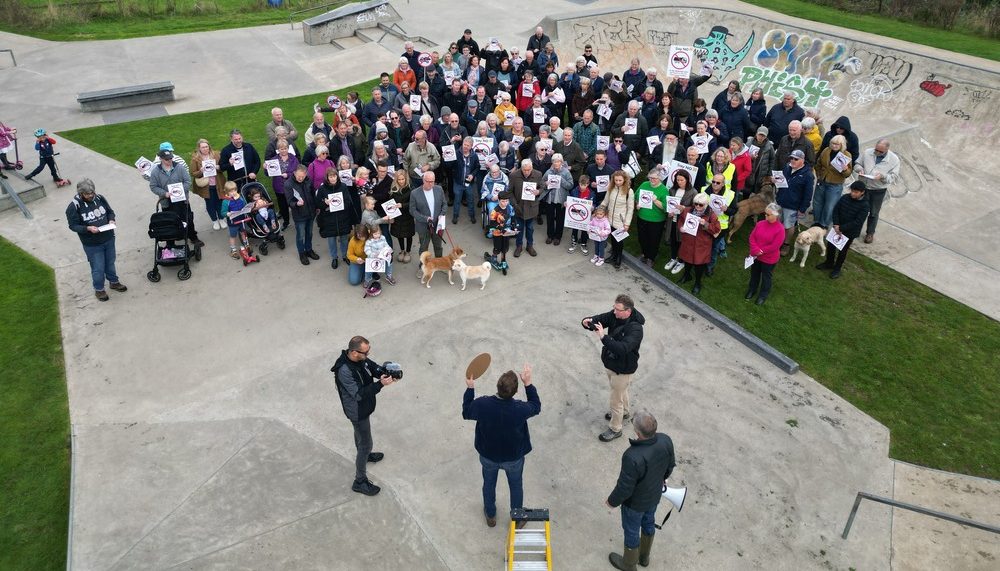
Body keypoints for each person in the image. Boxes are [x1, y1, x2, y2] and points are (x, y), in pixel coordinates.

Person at [462, 364, 540, 528]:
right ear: (515, 391)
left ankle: (490, 515)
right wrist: (528, 383)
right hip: (513, 458)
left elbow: (466, 412)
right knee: (516, 485)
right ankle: (517, 518)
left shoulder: (483, 405)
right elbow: (536, 406)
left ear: (497, 386)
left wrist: (470, 388)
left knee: (489, 484)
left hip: (488, 455)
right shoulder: (520, 409)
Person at [604, 410, 676, 571]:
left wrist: (612, 501)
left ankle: (629, 564)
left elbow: (625, 486)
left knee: (631, 530)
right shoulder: (665, 440)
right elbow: (670, 464)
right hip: (654, 496)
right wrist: (663, 478)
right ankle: (644, 557)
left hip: (634, 504)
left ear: (637, 432)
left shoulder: (632, 456)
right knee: (649, 522)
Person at [332, 335, 398, 496]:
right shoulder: (345, 371)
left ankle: (366, 455)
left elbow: (371, 366)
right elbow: (359, 395)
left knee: (360, 437)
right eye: (365, 353)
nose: (367, 355)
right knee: (365, 444)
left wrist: (383, 373)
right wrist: (380, 384)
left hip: (363, 408)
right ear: (354, 352)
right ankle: (360, 481)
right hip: (357, 410)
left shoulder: (359, 359)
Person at [581, 294, 645, 441]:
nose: (614, 312)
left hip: (623, 369)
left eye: (617, 309)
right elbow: (599, 319)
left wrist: (604, 337)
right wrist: (587, 322)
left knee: (615, 400)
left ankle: (616, 429)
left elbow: (622, 349)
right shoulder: (615, 315)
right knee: (621, 391)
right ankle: (626, 412)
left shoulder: (636, 329)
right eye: (614, 308)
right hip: (611, 363)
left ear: (628, 311)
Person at [66, 179, 126, 302]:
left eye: (92, 192)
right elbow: (73, 225)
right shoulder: (73, 206)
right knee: (98, 267)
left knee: (110, 262)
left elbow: (110, 212)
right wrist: (87, 228)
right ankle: (99, 289)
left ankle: (113, 282)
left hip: (109, 238)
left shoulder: (100, 198)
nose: (91, 196)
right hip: (92, 244)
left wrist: (111, 220)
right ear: (81, 194)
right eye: (87, 194)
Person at [148, 146, 204, 249]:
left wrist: (180, 190)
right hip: (166, 201)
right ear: (160, 159)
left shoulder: (179, 167)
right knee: (169, 220)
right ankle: (170, 241)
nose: (169, 161)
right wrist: (165, 193)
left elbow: (187, 181)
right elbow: (153, 186)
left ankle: (193, 237)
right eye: (166, 159)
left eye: (170, 158)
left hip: (182, 200)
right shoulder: (155, 171)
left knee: (188, 218)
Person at [817, 181, 870, 279]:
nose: (852, 193)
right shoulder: (845, 197)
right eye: (852, 191)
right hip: (838, 227)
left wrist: (841, 228)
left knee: (843, 251)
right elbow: (836, 210)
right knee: (831, 246)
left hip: (849, 232)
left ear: (862, 192)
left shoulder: (865, 205)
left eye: (856, 192)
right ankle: (829, 263)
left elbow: (858, 222)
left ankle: (837, 268)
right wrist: (836, 224)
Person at [853, 138, 900, 244]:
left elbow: (893, 178)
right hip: (863, 187)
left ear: (887, 149)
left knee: (873, 213)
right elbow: (857, 164)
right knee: (858, 209)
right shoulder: (867, 152)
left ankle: (870, 233)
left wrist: (882, 176)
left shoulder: (894, 160)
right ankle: (855, 230)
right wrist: (859, 169)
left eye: (880, 152)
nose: (877, 153)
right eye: (876, 150)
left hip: (878, 190)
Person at [677, 193, 721, 295]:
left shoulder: (711, 215)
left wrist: (706, 224)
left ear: (706, 204)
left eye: (700, 205)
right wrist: (681, 228)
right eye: (696, 204)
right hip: (688, 241)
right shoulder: (688, 210)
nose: (697, 206)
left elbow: (717, 229)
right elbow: (681, 221)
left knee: (699, 264)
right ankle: (686, 275)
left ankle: (698, 283)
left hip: (702, 244)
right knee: (687, 260)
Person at [746, 203, 786, 305]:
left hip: (769, 259)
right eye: (765, 214)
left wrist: (761, 251)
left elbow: (775, 246)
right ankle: (752, 289)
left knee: (766, 277)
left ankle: (763, 295)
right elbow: (752, 237)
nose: (766, 216)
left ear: (776, 215)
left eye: (768, 215)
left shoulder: (780, 229)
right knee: (754, 274)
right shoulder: (760, 224)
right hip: (756, 256)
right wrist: (755, 250)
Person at [776, 149, 815, 255]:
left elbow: (808, 194)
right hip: (780, 200)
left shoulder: (808, 175)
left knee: (788, 225)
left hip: (793, 205)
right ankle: (776, 241)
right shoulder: (787, 167)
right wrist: (775, 180)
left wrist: (802, 209)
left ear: (802, 160)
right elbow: (781, 181)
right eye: (791, 158)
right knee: (777, 222)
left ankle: (786, 244)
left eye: (796, 159)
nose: (792, 160)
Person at [812, 134, 853, 229]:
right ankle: (817, 221)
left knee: (829, 206)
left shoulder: (846, 155)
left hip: (835, 185)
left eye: (837, 144)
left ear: (842, 145)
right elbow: (818, 164)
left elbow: (847, 174)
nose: (834, 146)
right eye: (833, 143)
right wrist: (819, 175)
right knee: (817, 203)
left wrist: (845, 169)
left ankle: (824, 224)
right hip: (822, 181)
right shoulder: (826, 151)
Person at [189, 138, 227, 231]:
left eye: (206, 146)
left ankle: (221, 219)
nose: (205, 149)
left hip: (218, 184)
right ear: (199, 148)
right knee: (210, 204)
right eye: (203, 147)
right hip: (206, 186)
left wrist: (218, 167)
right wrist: (200, 171)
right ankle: (214, 220)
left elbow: (224, 167)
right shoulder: (195, 159)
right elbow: (193, 173)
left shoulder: (217, 155)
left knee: (220, 202)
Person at [284, 164, 319, 265]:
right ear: (294, 173)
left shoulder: (308, 180)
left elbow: (313, 194)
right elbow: (289, 202)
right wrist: (296, 204)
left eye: (303, 176)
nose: (301, 178)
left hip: (311, 212)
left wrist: (316, 207)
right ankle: (302, 253)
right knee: (301, 235)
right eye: (299, 176)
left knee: (309, 233)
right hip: (299, 215)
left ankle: (309, 250)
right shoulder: (288, 184)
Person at [599, 171, 634, 269]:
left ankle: (618, 257)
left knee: (619, 241)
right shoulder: (610, 189)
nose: (618, 182)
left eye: (620, 180)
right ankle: (613, 255)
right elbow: (605, 202)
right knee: (612, 239)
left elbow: (630, 209)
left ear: (625, 180)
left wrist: (627, 224)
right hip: (609, 219)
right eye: (616, 180)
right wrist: (599, 210)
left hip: (620, 221)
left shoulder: (629, 191)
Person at [509, 159, 544, 257]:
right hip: (518, 207)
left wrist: (538, 191)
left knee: (530, 228)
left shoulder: (538, 174)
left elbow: (542, 186)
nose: (527, 172)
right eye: (524, 170)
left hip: (531, 207)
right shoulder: (513, 175)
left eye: (529, 170)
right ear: (521, 168)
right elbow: (510, 191)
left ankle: (530, 246)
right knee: (519, 228)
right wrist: (514, 204)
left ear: (532, 168)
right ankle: (519, 246)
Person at [634, 168, 668, 266]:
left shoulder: (664, 190)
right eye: (650, 178)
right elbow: (636, 197)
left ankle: (651, 258)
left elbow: (665, 208)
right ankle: (644, 254)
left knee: (654, 240)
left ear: (660, 179)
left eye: (655, 178)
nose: (652, 180)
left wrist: (656, 201)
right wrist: (637, 204)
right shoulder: (644, 185)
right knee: (642, 238)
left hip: (656, 220)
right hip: (642, 217)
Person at [409, 171, 447, 260]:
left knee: (438, 246)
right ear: (423, 180)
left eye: (432, 181)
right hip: (423, 226)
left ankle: (439, 264)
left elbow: (444, 205)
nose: (430, 184)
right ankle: (422, 266)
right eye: (428, 181)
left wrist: (441, 214)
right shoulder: (414, 193)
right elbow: (412, 210)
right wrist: (425, 218)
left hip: (438, 225)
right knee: (423, 248)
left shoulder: (439, 189)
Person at [542, 153, 573, 246]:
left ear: (562, 162)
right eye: (554, 161)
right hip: (550, 199)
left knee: (560, 218)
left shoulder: (566, 172)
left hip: (561, 199)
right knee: (550, 217)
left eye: (558, 161)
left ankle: (558, 237)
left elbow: (570, 185)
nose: (556, 163)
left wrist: (561, 180)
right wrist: (546, 183)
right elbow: (541, 182)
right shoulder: (549, 171)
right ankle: (550, 235)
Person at [389, 164, 415, 262]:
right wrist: (391, 216)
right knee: (399, 234)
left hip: (408, 215)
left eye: (402, 179)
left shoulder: (410, 189)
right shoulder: (393, 189)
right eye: (399, 179)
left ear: (406, 179)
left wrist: (402, 205)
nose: (400, 181)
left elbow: (412, 203)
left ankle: (408, 251)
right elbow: (390, 204)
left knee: (408, 235)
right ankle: (402, 250)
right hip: (397, 216)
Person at [487, 190, 516, 274]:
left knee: (505, 247)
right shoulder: (495, 211)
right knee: (497, 247)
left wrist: (514, 225)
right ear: (498, 200)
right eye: (503, 201)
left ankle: (503, 260)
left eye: (506, 201)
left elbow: (513, 217)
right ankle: (494, 257)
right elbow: (492, 223)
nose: (505, 203)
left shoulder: (509, 207)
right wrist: (500, 228)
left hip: (506, 231)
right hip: (497, 232)